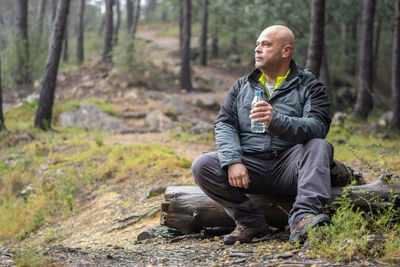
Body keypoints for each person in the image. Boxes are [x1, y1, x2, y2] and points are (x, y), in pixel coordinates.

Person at [191, 25, 333, 245]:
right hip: (250, 169)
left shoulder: (310, 85)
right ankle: (251, 222)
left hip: (290, 166)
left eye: (266, 44)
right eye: (257, 44)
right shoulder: (241, 86)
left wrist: (276, 121)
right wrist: (232, 161)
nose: (258, 49)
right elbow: (224, 124)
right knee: (202, 165)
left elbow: (318, 126)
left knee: (319, 146)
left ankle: (303, 217)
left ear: (286, 51)